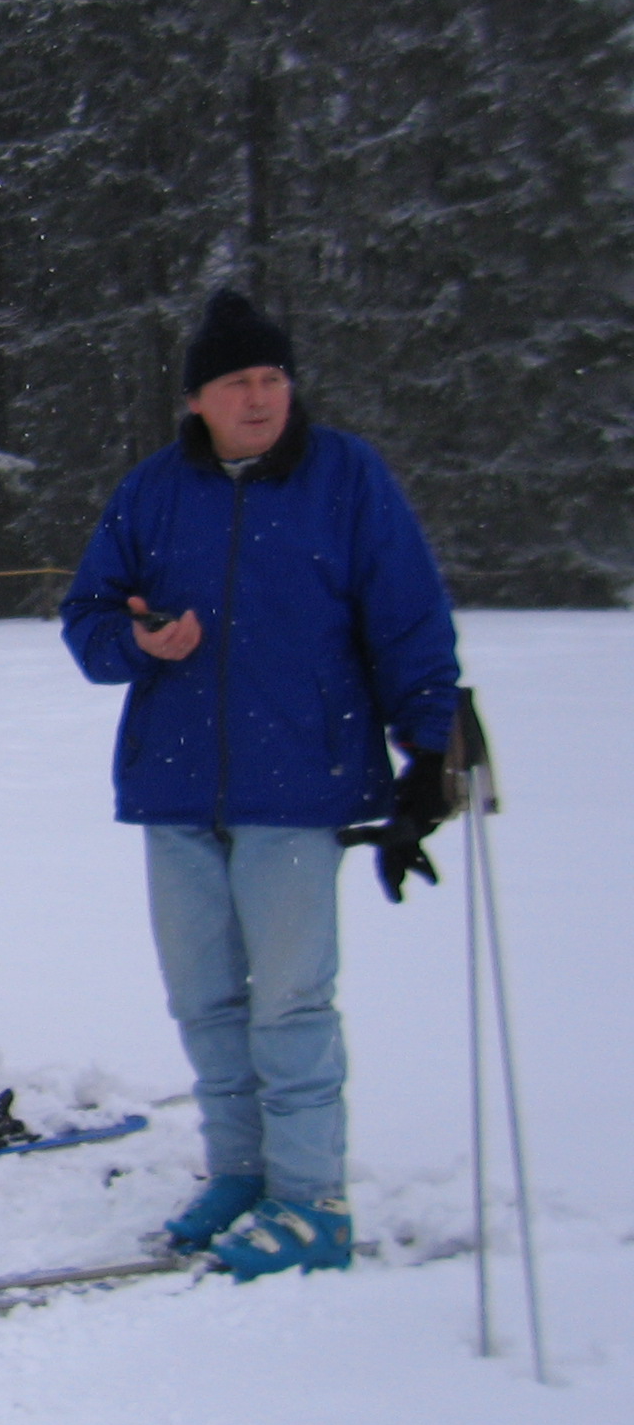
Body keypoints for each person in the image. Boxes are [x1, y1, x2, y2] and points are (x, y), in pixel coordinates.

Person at [61, 287, 460, 1279]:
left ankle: (311, 1200)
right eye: (239, 380)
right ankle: (239, 1174)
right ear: (198, 398)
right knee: (205, 1000)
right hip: (176, 784)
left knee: (289, 1003)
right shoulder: (153, 492)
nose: (261, 396)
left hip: (300, 781)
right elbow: (88, 622)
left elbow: (407, 617)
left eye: (273, 377)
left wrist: (432, 749)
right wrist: (139, 641)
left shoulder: (345, 479)